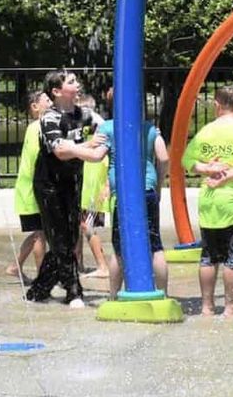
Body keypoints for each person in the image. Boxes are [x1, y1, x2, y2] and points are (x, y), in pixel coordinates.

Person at [25, 70, 108, 308]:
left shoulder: (85, 114)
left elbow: (107, 128)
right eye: (71, 81)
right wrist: (89, 148)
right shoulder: (49, 117)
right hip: (49, 185)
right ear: (57, 91)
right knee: (60, 237)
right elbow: (60, 149)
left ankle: (39, 290)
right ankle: (74, 292)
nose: (77, 84)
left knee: (70, 237)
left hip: (72, 182)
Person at [183, 84, 233, 318]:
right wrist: (225, 176)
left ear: (218, 105)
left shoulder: (206, 131)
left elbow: (186, 160)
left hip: (209, 203)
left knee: (208, 256)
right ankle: (231, 306)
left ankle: (206, 307)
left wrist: (207, 169)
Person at [99, 101, 170, 299]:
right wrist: (158, 183)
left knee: (119, 248)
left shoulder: (107, 128)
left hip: (123, 193)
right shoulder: (149, 128)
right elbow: (163, 158)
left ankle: (113, 296)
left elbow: (98, 153)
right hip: (147, 189)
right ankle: (163, 294)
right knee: (155, 245)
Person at [7, 89, 50, 280]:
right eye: (46, 100)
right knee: (40, 234)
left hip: (32, 189)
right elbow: (36, 160)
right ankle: (42, 278)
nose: (51, 102)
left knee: (39, 233)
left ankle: (16, 267)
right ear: (35, 107)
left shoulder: (40, 127)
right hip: (33, 190)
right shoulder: (37, 128)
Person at [77, 93, 110, 279]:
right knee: (79, 224)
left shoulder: (97, 127)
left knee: (86, 225)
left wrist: (106, 185)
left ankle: (102, 266)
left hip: (94, 183)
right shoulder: (89, 127)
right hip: (87, 183)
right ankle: (78, 263)